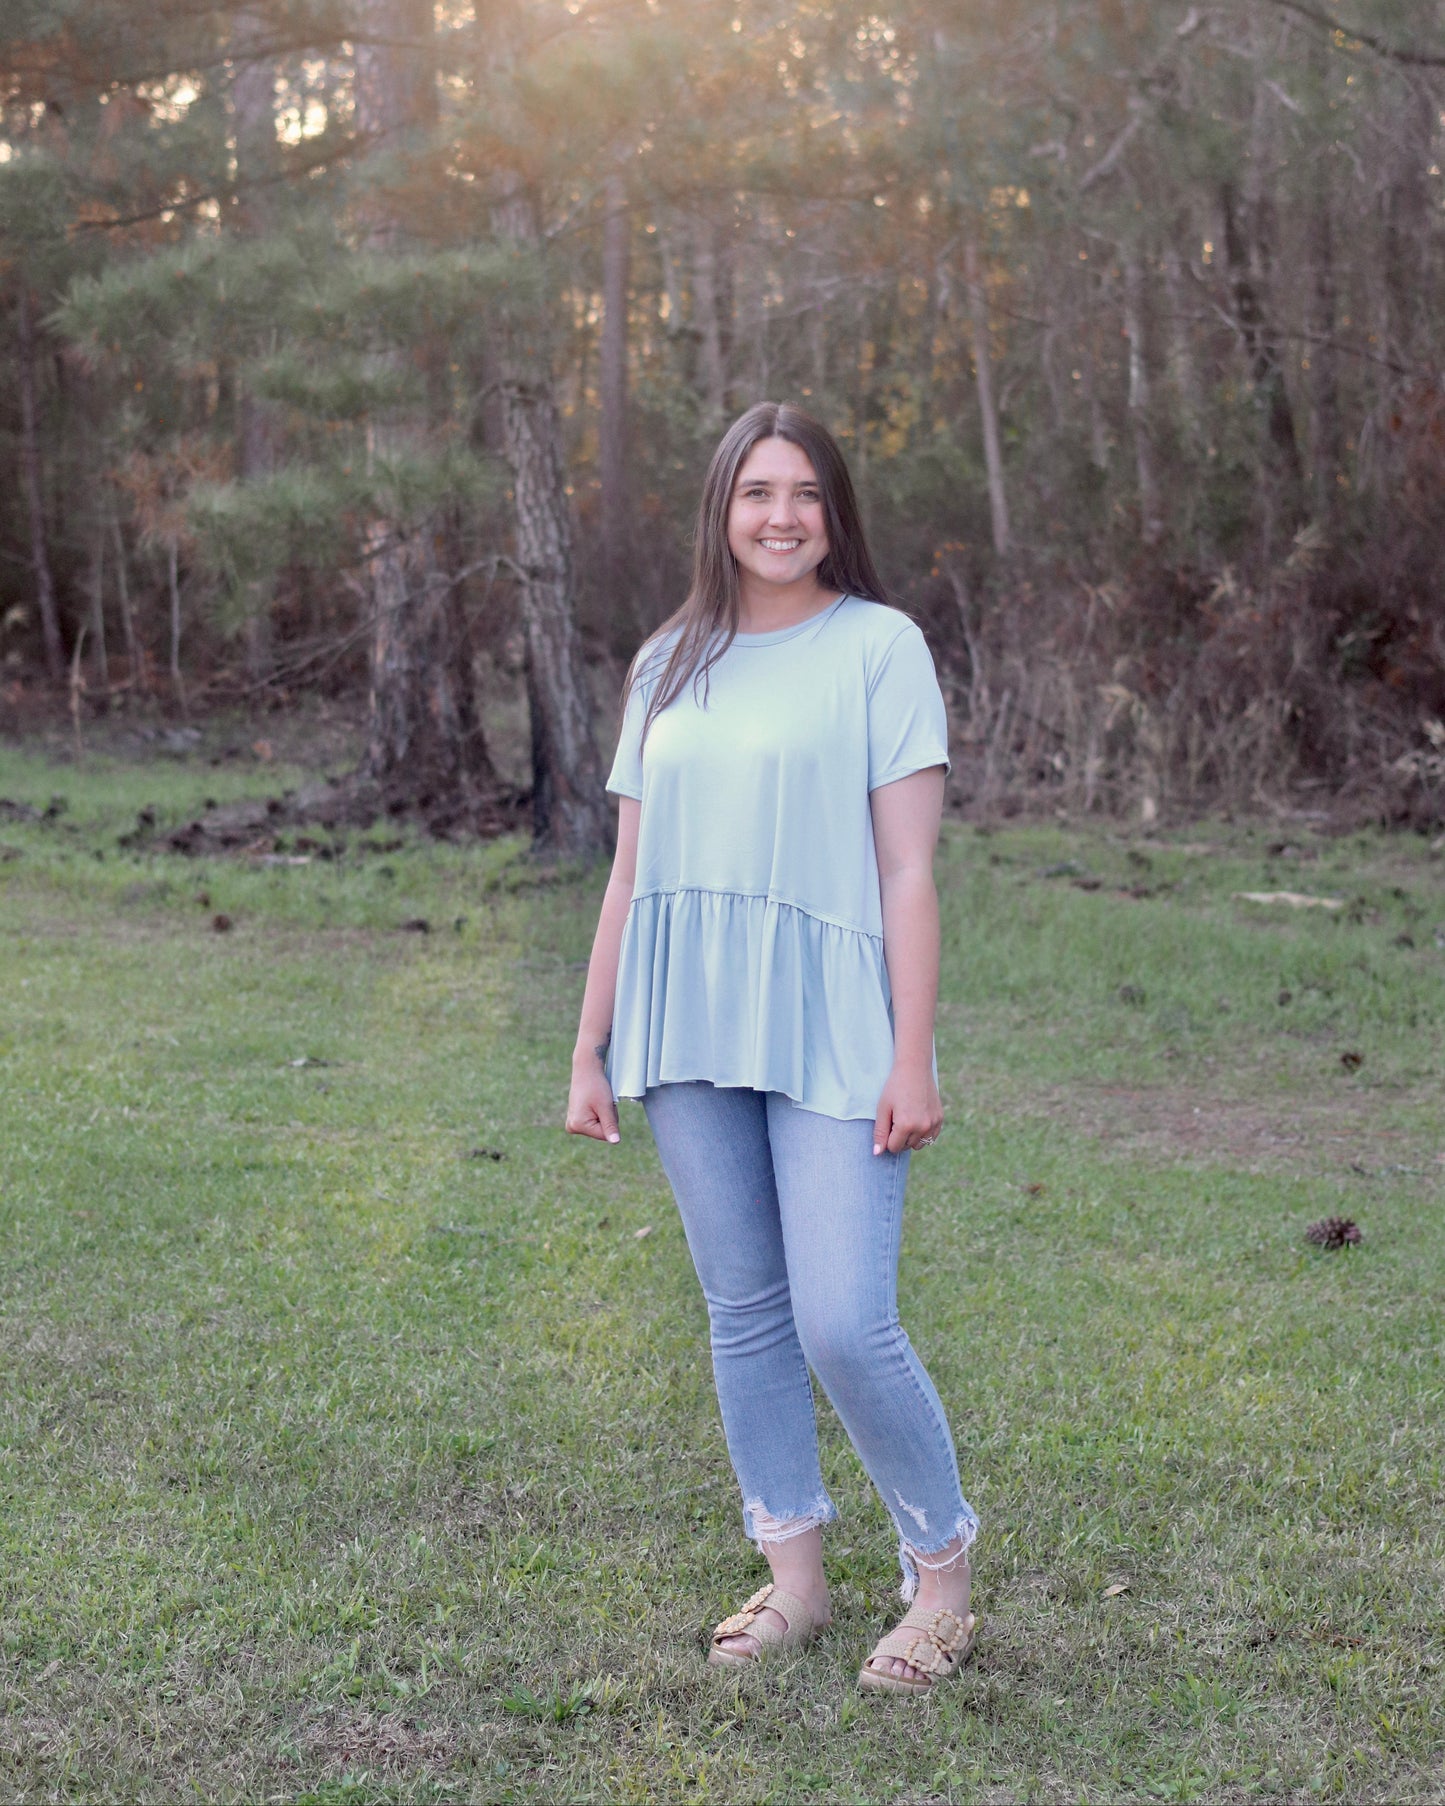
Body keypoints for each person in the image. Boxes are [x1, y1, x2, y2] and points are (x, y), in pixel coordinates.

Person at [565, 401, 979, 1696]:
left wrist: (912, 1055)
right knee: (743, 1307)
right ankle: (794, 1574)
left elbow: (906, 871)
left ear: (833, 510)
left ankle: (942, 1582)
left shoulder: (880, 649)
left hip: (832, 1017)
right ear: (722, 509)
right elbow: (628, 874)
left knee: (843, 1319)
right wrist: (589, 1045)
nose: (781, 515)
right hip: (686, 1013)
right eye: (756, 492)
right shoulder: (666, 661)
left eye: (804, 491)